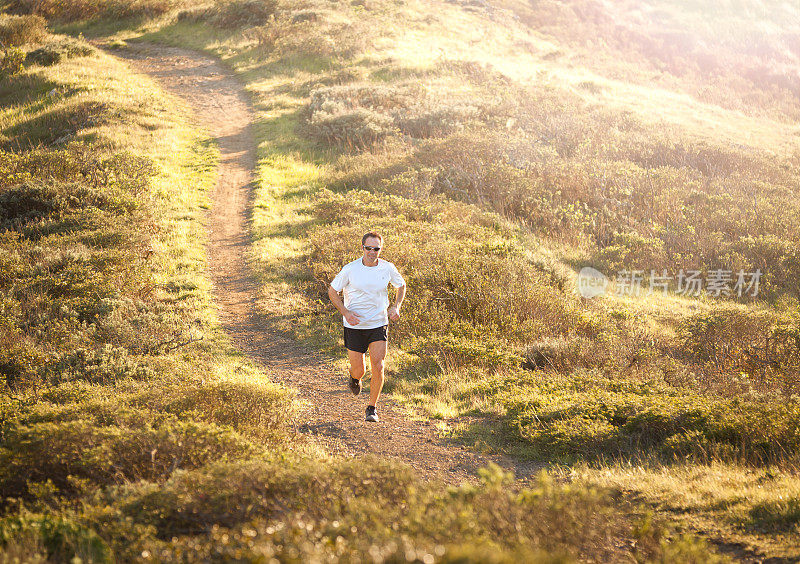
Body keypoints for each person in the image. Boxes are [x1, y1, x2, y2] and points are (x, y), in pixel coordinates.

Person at [327, 231, 406, 422]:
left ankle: (372, 408)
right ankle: (355, 379)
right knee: (359, 370)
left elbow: (401, 285)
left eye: (376, 248)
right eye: (368, 248)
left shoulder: (387, 268)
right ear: (362, 248)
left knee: (378, 366)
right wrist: (346, 313)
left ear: (380, 249)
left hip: (378, 323)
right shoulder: (350, 269)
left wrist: (396, 306)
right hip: (354, 325)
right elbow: (332, 291)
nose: (372, 252)